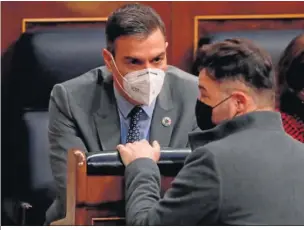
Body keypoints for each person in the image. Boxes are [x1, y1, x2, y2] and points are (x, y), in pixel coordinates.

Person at [117, 38, 304, 225]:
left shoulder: (213, 162)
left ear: (238, 103)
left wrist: (142, 166)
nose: (199, 102)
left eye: (205, 94)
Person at [46, 3, 198, 224]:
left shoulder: (193, 93)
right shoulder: (70, 99)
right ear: (109, 60)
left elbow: (198, 188)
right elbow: (76, 190)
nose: (148, 72)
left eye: (157, 59)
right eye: (134, 62)